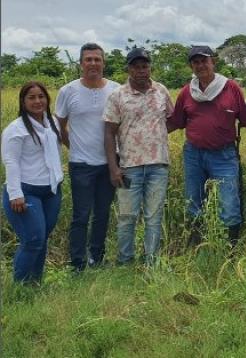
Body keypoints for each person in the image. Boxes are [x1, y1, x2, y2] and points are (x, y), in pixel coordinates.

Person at [168, 45, 246, 248]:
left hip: (224, 154)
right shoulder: (187, 92)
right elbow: (177, 121)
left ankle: (230, 248)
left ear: (213, 62)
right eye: (196, 62)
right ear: (191, 66)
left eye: (204, 60)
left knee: (229, 203)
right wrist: (146, 130)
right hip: (193, 154)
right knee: (193, 201)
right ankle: (197, 245)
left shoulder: (231, 88)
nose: (201, 65)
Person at [104, 48, 173, 265]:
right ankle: (125, 260)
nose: (141, 71)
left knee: (154, 216)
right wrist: (113, 168)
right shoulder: (118, 95)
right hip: (128, 167)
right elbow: (108, 132)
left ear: (150, 67)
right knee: (127, 217)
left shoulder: (161, 91)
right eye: (136, 66)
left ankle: (151, 260)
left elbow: (171, 119)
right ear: (129, 69)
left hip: (158, 166)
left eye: (145, 66)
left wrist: (155, 135)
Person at [55, 43, 120, 271]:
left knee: (102, 214)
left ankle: (97, 258)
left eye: (97, 59)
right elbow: (60, 126)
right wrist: (73, 148)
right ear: (80, 63)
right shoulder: (68, 91)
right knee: (81, 215)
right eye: (88, 59)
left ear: (104, 62)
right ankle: (77, 263)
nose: (93, 63)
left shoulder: (116, 89)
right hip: (81, 164)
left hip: (109, 164)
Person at [2, 81, 63, 283]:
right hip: (26, 191)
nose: (37, 101)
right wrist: (16, 194)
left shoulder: (51, 122)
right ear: (23, 101)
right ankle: (20, 286)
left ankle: (35, 284)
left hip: (51, 190)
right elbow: (11, 162)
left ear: (47, 99)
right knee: (33, 239)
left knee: (42, 239)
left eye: (41, 96)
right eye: (32, 97)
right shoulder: (16, 129)